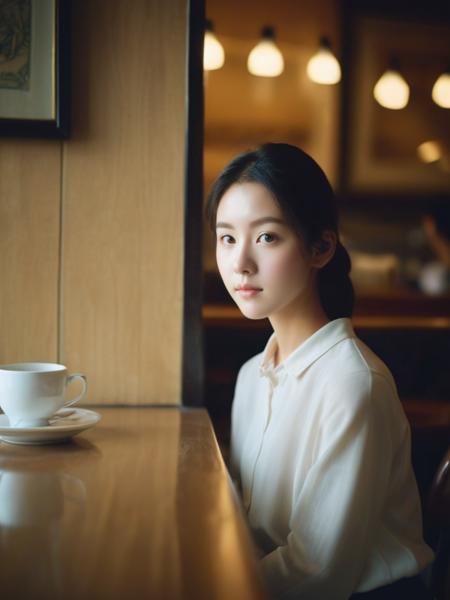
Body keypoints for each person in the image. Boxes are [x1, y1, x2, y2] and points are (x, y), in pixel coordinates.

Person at [206, 143, 434, 600]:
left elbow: (319, 572)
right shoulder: (253, 374)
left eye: (267, 237)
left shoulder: (353, 384)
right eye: (227, 237)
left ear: (321, 247)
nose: (240, 263)